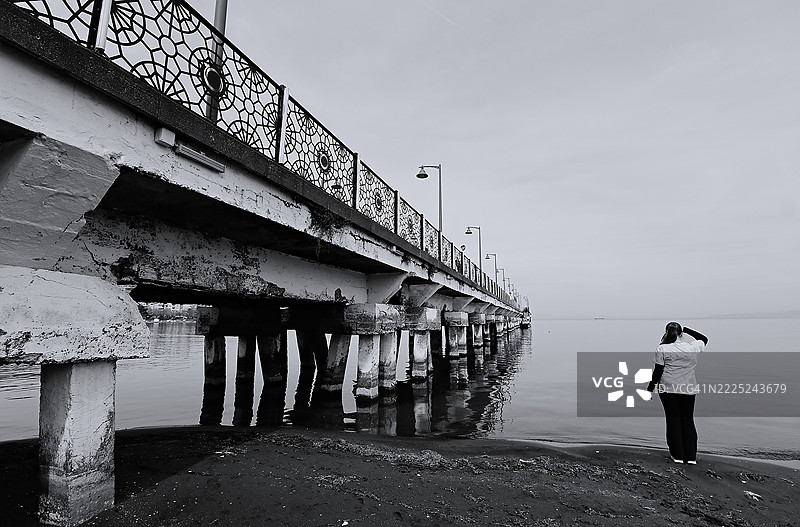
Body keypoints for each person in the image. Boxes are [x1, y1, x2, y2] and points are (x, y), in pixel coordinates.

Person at [646, 322, 709, 465]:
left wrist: (650, 388)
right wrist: (686, 330)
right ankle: (691, 457)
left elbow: (658, 371)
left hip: (668, 389)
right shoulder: (692, 347)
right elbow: (704, 339)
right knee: (687, 421)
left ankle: (678, 455)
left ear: (666, 333)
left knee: (673, 420)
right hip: (688, 389)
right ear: (680, 333)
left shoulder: (662, 348)